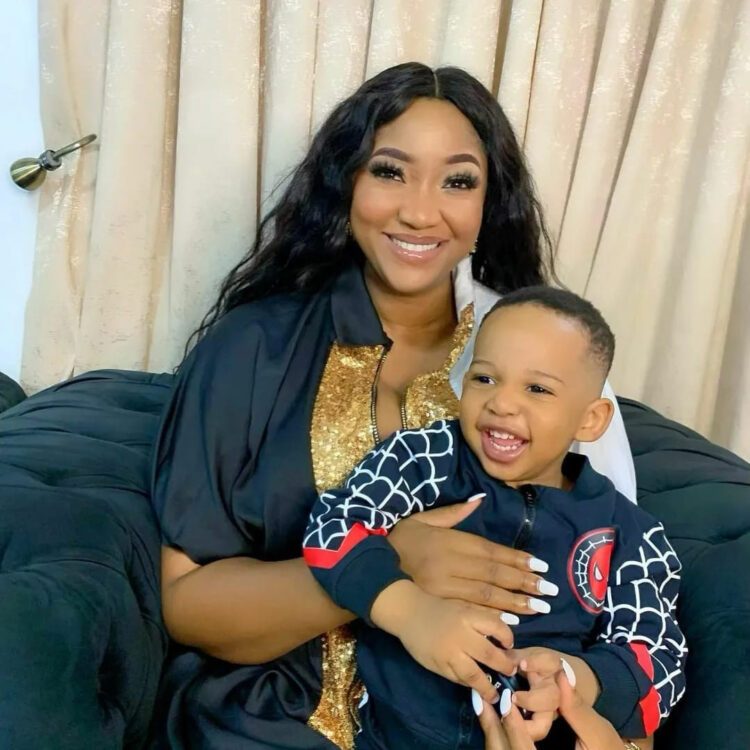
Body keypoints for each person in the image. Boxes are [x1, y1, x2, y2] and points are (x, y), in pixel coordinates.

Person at [152, 62, 638, 749]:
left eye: (458, 181)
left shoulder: (554, 367)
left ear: (490, 203)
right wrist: (389, 569)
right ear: (345, 182)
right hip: (270, 725)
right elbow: (188, 603)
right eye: (389, 171)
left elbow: (617, 598)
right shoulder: (250, 348)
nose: (420, 211)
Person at [303, 288, 686, 749]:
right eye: (484, 378)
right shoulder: (424, 459)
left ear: (590, 419)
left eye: (537, 389)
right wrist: (412, 613)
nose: (501, 403)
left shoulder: (629, 533)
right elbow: (332, 527)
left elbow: (658, 663)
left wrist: (573, 679)